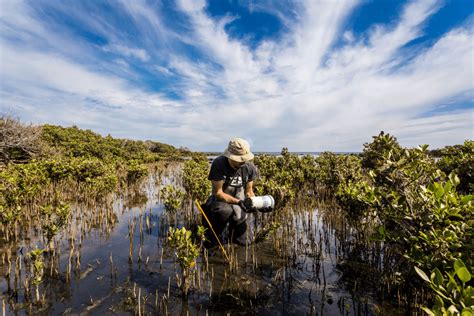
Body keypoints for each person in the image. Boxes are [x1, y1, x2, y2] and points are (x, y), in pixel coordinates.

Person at [203, 137, 257, 246]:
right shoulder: (219, 163)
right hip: (221, 201)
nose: (242, 162)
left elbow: (249, 191)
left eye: (244, 159)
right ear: (229, 156)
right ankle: (213, 234)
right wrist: (238, 202)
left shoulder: (250, 167)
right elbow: (218, 193)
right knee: (224, 211)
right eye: (238, 159)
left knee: (245, 242)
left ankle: (233, 232)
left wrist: (255, 203)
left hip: (239, 201)